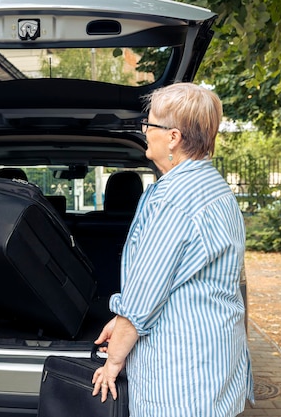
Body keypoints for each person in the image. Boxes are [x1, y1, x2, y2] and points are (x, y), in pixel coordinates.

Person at [91, 83, 254, 416]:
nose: (144, 132)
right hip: (215, 359)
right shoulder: (216, 188)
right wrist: (120, 321)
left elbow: (144, 295)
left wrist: (114, 360)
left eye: (149, 125)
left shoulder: (173, 199)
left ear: (173, 137)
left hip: (180, 376)